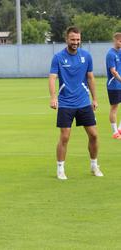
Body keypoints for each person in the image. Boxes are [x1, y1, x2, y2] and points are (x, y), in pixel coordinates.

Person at [48, 26, 103, 180]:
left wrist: (95, 99)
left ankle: (94, 165)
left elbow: (91, 78)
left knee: (94, 135)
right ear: (67, 39)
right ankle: (60, 169)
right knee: (65, 137)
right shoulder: (58, 57)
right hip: (65, 103)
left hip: (84, 102)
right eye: (73, 39)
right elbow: (52, 78)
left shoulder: (86, 56)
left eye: (78, 39)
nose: (75, 42)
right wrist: (53, 97)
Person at [106, 32, 121, 139]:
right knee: (114, 108)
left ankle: (120, 129)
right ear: (115, 41)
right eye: (120, 41)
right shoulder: (110, 54)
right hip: (114, 85)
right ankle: (115, 132)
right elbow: (113, 71)